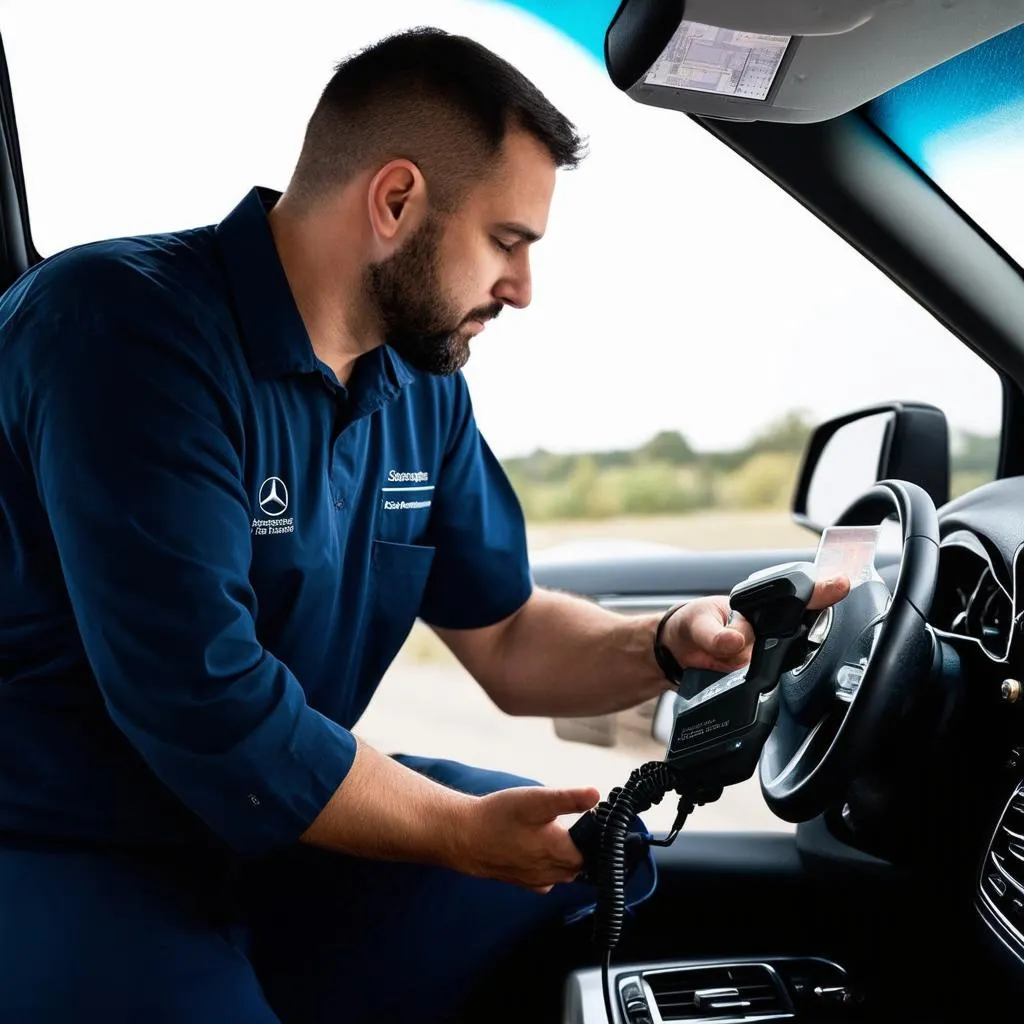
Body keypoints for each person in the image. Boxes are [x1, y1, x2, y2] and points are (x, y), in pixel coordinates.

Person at [0, 26, 849, 1024]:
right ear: (396, 201)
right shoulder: (119, 331)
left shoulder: (417, 384)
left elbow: (507, 635)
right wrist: (456, 831)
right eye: (507, 242)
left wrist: (668, 644)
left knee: (599, 866)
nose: (523, 291)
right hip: (68, 840)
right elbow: (214, 713)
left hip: (270, 829)